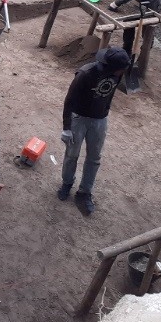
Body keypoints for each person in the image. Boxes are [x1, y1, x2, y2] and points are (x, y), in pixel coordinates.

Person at [58, 47, 132, 214]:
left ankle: (85, 192)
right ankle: (67, 183)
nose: (123, 72)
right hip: (79, 119)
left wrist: (104, 112)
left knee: (94, 157)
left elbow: (110, 95)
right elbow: (69, 100)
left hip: (100, 120)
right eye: (121, 69)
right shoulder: (85, 74)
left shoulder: (118, 74)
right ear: (110, 67)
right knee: (72, 154)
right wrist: (66, 127)